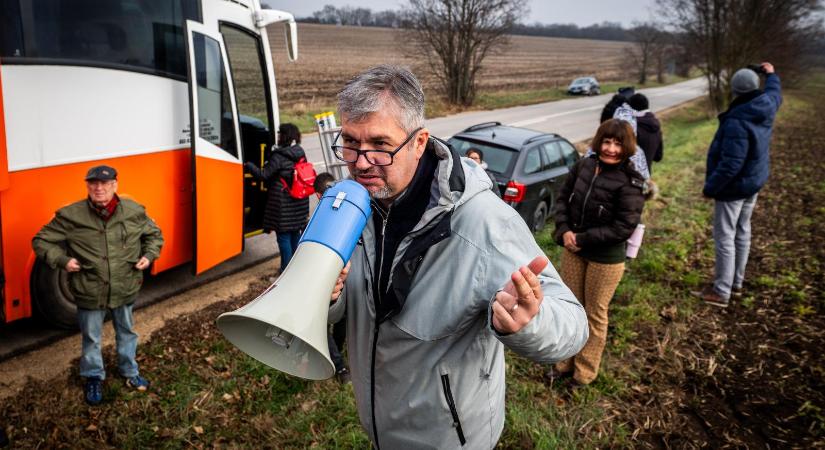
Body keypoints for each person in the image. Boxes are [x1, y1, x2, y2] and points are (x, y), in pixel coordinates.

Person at [326, 64, 589, 449]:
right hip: (380, 424)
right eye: (350, 141)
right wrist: (329, 297)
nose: (361, 162)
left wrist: (528, 322)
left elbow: (574, 325)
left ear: (419, 142)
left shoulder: (484, 223)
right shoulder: (353, 204)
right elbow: (349, 305)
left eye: (380, 145)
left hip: (450, 437)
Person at [32, 165, 164, 406]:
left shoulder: (133, 211)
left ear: (115, 185)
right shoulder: (71, 216)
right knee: (91, 337)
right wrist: (63, 260)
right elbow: (41, 241)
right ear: (87, 187)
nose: (99, 188)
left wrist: (149, 254)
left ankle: (129, 371)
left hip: (124, 286)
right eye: (93, 184)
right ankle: (93, 376)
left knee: (126, 332)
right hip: (89, 289)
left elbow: (154, 235)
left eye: (105, 183)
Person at [551, 119, 646, 386]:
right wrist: (565, 230)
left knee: (594, 313)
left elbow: (623, 227)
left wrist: (583, 238)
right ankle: (563, 363)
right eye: (607, 141)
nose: (611, 149)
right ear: (598, 141)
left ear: (626, 147)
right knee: (571, 307)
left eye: (618, 143)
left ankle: (584, 373)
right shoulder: (584, 166)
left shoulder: (631, 181)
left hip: (605, 259)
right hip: (573, 250)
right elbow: (563, 198)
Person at [701, 62, 782, 307]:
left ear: (734, 90)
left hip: (734, 188)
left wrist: (710, 187)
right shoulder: (767, 104)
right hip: (753, 182)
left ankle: (722, 292)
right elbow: (775, 91)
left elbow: (730, 165)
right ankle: (736, 282)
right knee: (742, 231)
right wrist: (770, 74)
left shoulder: (737, 120)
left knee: (725, 236)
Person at [245, 123, 309, 273]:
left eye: (280, 133)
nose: (278, 136)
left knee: (284, 238)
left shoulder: (278, 156)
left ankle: (285, 272)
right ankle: (296, 269)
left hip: (283, 203)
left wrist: (249, 165)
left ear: (284, 136)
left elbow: (264, 175)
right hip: (299, 200)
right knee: (295, 235)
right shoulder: (299, 152)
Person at [313, 172, 350, 381]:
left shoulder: (320, 214)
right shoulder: (347, 209)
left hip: (327, 276)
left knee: (325, 321)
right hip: (342, 275)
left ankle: (337, 364)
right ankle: (338, 356)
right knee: (340, 317)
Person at [629, 93, 664, 174]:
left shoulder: (631, 128)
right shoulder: (657, 127)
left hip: (628, 178)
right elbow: (658, 156)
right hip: (646, 176)